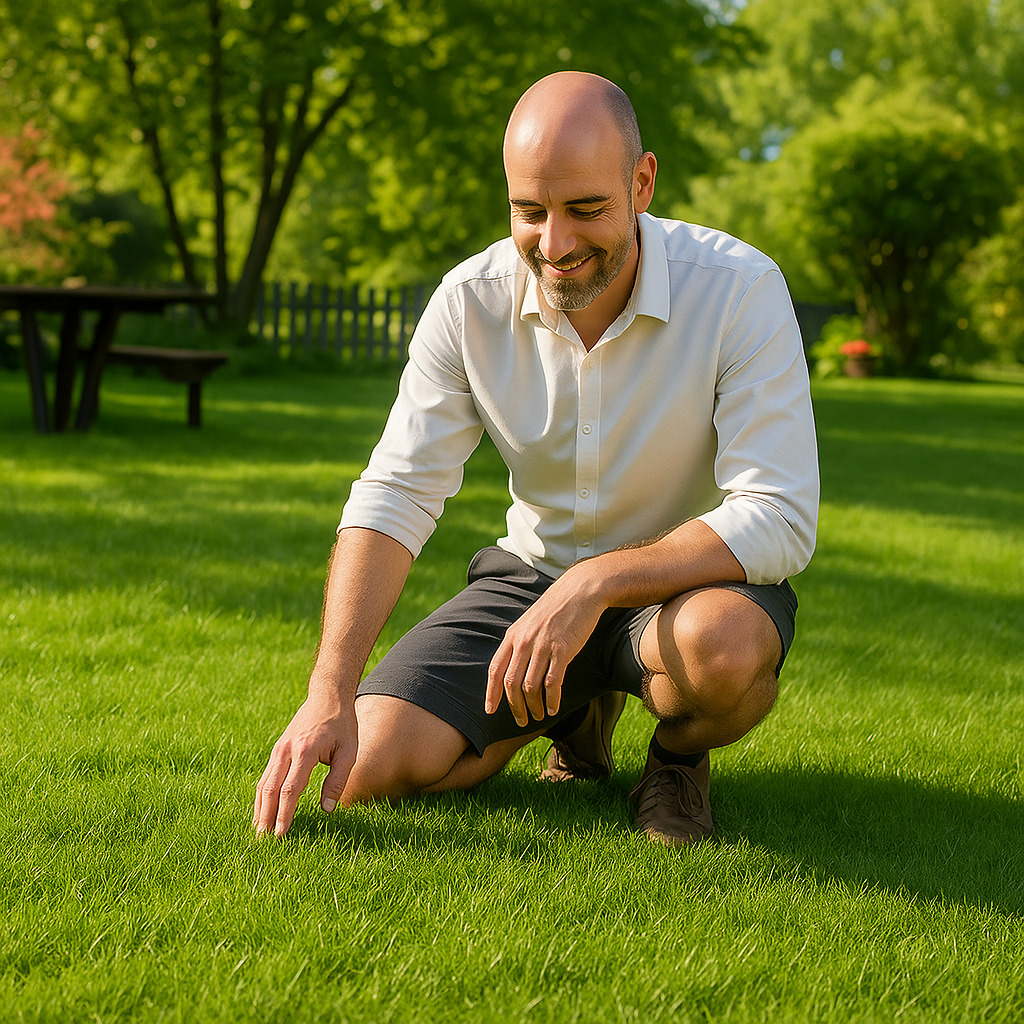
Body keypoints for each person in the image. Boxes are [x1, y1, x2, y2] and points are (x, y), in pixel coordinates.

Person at [252, 71, 818, 847]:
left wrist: (596, 583)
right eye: (530, 211)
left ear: (642, 181)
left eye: (586, 209)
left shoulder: (739, 290)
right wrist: (329, 690)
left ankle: (676, 760)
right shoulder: (469, 302)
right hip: (529, 581)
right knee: (365, 776)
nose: (555, 245)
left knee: (725, 652)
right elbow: (396, 492)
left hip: (681, 595)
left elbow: (779, 515)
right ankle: (573, 708)